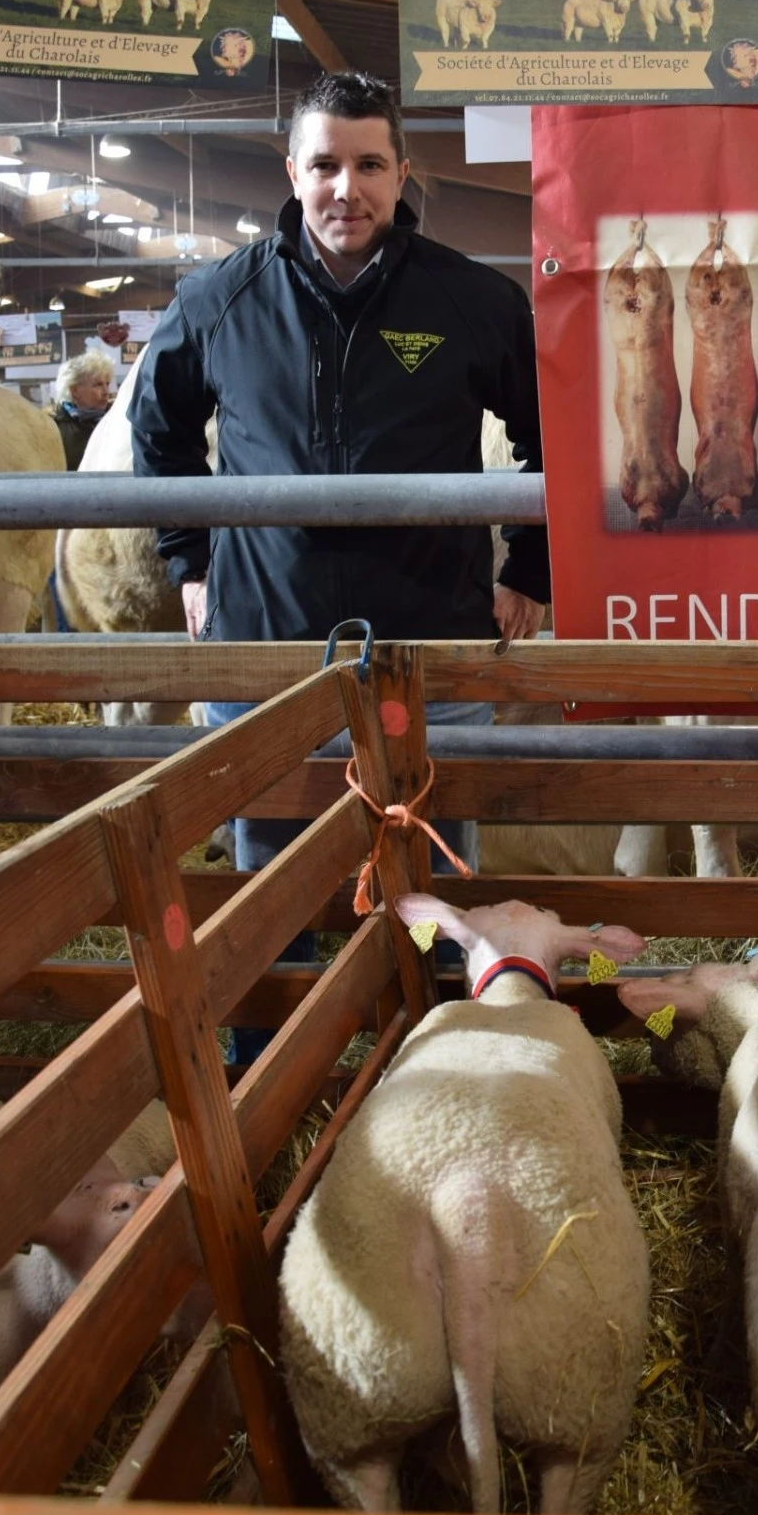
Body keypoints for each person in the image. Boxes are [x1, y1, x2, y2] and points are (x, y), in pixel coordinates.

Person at [129, 69, 549, 1055]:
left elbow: (549, 439)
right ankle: (266, 1081)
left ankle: (442, 1072)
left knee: (431, 875)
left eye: (369, 165)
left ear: (402, 172)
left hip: (428, 644)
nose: (345, 188)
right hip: (263, 648)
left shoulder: (474, 300)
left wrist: (530, 566)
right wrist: (189, 560)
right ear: (292, 170)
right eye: (325, 164)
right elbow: (158, 430)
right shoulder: (219, 298)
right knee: (272, 886)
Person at [49, 347, 115, 469]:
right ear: (74, 391)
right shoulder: (54, 426)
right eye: (98, 385)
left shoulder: (118, 418)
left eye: (107, 384)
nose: (106, 392)